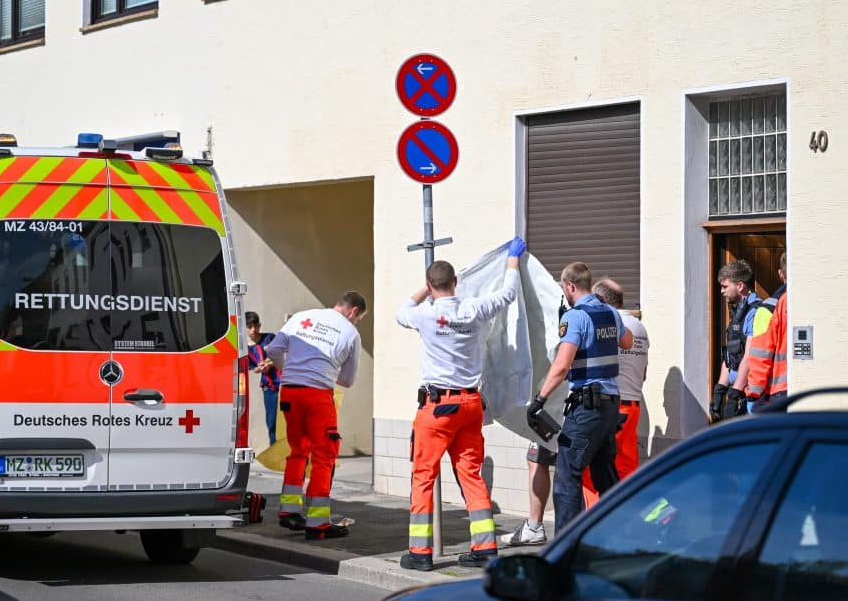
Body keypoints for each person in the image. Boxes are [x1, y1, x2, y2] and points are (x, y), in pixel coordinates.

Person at [395, 237, 526, 571]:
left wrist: (424, 290)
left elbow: (401, 312)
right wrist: (512, 260)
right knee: (471, 474)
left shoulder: (424, 315)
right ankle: (485, 548)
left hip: (437, 409)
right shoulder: (473, 309)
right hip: (470, 405)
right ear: (455, 283)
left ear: (430, 285)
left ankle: (420, 553)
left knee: (424, 476)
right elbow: (508, 294)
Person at [527, 262, 633, 530]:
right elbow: (627, 341)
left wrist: (539, 399)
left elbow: (561, 366)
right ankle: (617, 535)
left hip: (587, 408)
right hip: (610, 406)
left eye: (564, 287)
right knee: (605, 474)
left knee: (567, 476)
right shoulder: (610, 312)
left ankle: (566, 545)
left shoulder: (574, 317)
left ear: (571, 286)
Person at [259, 291, 367, 540]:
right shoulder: (350, 333)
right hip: (317, 395)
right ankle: (318, 523)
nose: (356, 322)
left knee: (298, 449)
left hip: (290, 393)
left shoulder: (302, 317)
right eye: (358, 318)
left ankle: (289, 511)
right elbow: (348, 380)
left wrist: (291, 370)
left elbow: (273, 349)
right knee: (324, 454)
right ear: (353, 312)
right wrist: (324, 373)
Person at [582, 278, 648, 508]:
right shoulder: (639, 327)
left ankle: (594, 523)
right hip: (633, 406)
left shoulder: (608, 324)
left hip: (612, 407)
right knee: (626, 469)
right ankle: (629, 520)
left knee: (592, 470)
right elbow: (644, 373)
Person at [710, 260, 771, 422]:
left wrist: (735, 393)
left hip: (751, 395)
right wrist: (720, 389)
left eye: (725, 287)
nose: (722, 291)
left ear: (740, 286)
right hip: (737, 389)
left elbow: (749, 356)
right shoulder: (737, 311)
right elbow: (731, 354)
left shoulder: (756, 312)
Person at [745, 253, 788, 410]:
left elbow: (761, 353)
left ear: (780, 274)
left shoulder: (770, 307)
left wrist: (753, 392)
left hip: (778, 392)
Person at [245, 311, 281, 446]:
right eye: (249, 327)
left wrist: (269, 362)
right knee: (271, 420)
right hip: (268, 386)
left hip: (283, 382)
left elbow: (283, 353)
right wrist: (259, 369)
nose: (253, 330)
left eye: (256, 326)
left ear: (260, 325)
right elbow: (252, 368)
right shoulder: (245, 349)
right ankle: (274, 447)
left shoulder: (270, 338)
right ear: (245, 327)